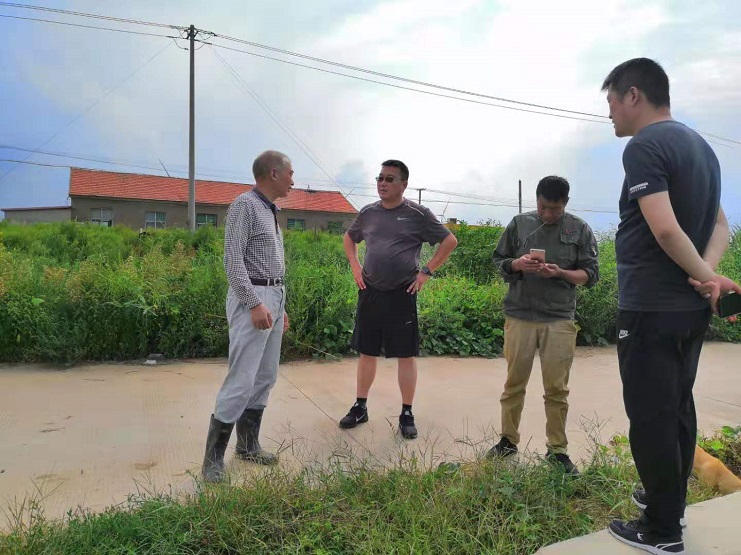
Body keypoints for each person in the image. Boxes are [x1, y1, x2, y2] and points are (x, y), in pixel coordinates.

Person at [601, 58, 741, 554]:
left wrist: (704, 276)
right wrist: (708, 275)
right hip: (688, 312)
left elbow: (663, 228)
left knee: (651, 415)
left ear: (633, 95)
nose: (610, 113)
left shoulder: (645, 146)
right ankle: (670, 501)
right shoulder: (701, 148)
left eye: (611, 102)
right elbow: (721, 226)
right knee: (678, 406)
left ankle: (661, 531)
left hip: (651, 307)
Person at [487, 175, 599, 475]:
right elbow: (499, 260)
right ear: (536, 200)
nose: (548, 214)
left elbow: (590, 275)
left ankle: (557, 450)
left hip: (559, 318)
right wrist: (517, 264)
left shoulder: (579, 229)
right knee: (514, 384)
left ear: (566, 203)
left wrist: (560, 273)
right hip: (519, 315)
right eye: (543, 207)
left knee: (556, 389)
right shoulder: (519, 224)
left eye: (555, 209)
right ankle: (508, 441)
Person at [339, 159, 458, 439]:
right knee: (367, 351)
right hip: (370, 291)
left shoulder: (417, 214)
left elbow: (449, 241)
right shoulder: (368, 212)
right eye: (380, 178)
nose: (382, 183)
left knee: (405, 354)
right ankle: (360, 406)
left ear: (404, 184)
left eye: (389, 179)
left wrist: (426, 272)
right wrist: (355, 266)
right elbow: (349, 238)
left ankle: (406, 413)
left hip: (403, 293)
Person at [201, 150, 294, 483]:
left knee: (265, 376)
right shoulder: (245, 205)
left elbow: (269, 266)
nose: (293, 181)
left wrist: (279, 307)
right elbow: (233, 260)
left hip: (273, 297)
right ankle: (212, 461)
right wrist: (254, 303)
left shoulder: (269, 211)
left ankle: (247, 445)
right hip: (252, 297)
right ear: (273, 173)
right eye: (290, 173)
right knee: (241, 378)